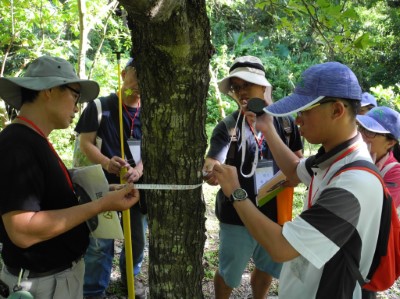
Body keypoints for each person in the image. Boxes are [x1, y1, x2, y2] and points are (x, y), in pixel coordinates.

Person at [212, 61, 384, 299]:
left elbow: (281, 248)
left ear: (336, 110)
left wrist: (235, 192)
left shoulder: (352, 184)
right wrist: (269, 129)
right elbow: (294, 172)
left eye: (305, 111)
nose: (299, 119)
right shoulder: (333, 158)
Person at [0, 55, 139, 299]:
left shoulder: (34, 140)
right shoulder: (18, 144)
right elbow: (22, 231)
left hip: (55, 279)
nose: (77, 107)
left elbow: (49, 200)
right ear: (49, 91)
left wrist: (103, 193)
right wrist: (101, 205)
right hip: (42, 285)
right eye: (75, 95)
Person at [202, 56, 303, 299]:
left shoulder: (286, 123)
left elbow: (298, 159)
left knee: (267, 265)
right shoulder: (228, 126)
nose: (241, 92)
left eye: (247, 84)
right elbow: (213, 160)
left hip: (274, 211)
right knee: (229, 272)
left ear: (264, 87)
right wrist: (211, 171)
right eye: (236, 87)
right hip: (235, 214)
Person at [75, 58, 146, 299]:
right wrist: (107, 162)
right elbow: (85, 143)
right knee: (100, 245)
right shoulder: (100, 106)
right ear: (124, 73)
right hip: (102, 186)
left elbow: (151, 151)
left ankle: (130, 281)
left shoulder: (150, 111)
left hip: (135, 188)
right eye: (137, 76)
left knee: (136, 241)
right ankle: (94, 291)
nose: (139, 84)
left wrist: (140, 168)